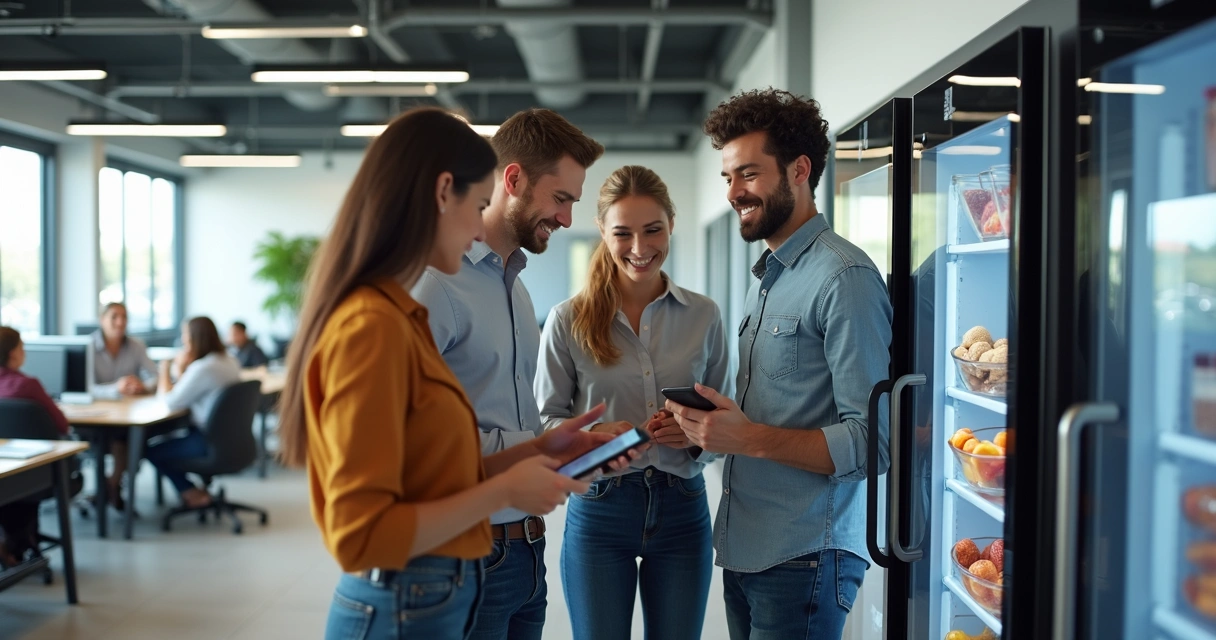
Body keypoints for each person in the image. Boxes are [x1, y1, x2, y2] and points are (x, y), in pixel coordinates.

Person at [274, 107, 635, 640]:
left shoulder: (399, 314)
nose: (476, 228)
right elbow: (359, 536)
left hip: (437, 588)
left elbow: (435, 463)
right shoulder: (374, 324)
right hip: (404, 598)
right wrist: (506, 488)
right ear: (445, 193)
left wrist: (544, 449)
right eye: (477, 204)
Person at [665, 89, 893, 640]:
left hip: (805, 558)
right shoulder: (771, 276)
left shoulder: (845, 279)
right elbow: (776, 409)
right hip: (749, 549)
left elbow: (875, 442)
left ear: (799, 170)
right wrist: (706, 427)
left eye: (748, 173)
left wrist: (747, 439)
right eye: (727, 177)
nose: (734, 192)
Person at [411, 107, 605, 640]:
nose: (567, 219)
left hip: (525, 550)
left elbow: (499, 416)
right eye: (560, 198)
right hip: (467, 553)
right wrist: (539, 452)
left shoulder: (516, 288)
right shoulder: (436, 284)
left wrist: (564, 445)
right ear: (513, 179)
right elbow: (411, 443)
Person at [535, 166, 729, 640]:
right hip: (600, 510)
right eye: (623, 233)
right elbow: (544, 425)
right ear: (602, 230)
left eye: (653, 230)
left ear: (671, 225)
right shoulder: (567, 320)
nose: (640, 249)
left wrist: (697, 436)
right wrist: (590, 439)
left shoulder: (704, 315)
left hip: (683, 508)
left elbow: (727, 422)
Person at [142, 316, 241, 509]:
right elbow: (188, 394)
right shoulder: (230, 361)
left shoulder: (202, 368)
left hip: (207, 441)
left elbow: (170, 402)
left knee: (150, 450)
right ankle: (193, 491)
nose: (183, 340)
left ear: (195, 338)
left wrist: (167, 370)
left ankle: (189, 491)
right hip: (233, 441)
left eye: (185, 335)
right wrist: (183, 373)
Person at [0, 326, 72, 567]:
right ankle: (19, 542)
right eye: (22, 347)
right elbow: (62, 425)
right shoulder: (28, 385)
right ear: (13, 353)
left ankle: (16, 542)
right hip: (39, 473)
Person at [90, 301, 158, 509]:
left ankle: (111, 484)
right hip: (96, 416)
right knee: (122, 438)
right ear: (102, 320)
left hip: (129, 413)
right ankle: (112, 485)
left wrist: (142, 386)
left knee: (135, 436)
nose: (120, 322)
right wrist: (115, 388)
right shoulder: (88, 346)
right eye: (114, 317)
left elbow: (155, 375)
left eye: (124, 317)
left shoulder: (136, 345)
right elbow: (84, 387)